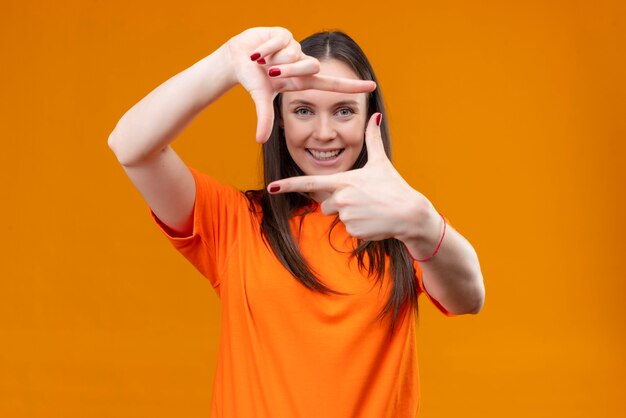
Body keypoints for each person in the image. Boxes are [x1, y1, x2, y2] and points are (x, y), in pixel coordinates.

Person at [108, 26, 485, 418]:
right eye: (303, 110)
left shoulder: (403, 224)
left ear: (369, 119)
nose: (324, 133)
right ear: (281, 118)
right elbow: (131, 146)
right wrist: (226, 62)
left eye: (344, 111)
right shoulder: (235, 222)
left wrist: (423, 223)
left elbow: (468, 298)